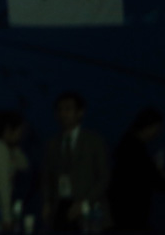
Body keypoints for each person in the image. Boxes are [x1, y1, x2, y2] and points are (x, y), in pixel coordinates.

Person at [42, 92, 110, 232]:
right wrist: (47, 202)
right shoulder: (52, 144)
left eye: (68, 109)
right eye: (59, 110)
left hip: (88, 208)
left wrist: (84, 203)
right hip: (60, 206)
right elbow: (46, 176)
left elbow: (104, 177)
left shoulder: (93, 142)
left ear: (80, 113)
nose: (63, 114)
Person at [108, 108, 165, 232]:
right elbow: (154, 180)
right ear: (150, 126)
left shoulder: (127, 144)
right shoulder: (136, 149)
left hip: (122, 208)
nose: (157, 132)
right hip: (131, 210)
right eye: (157, 128)